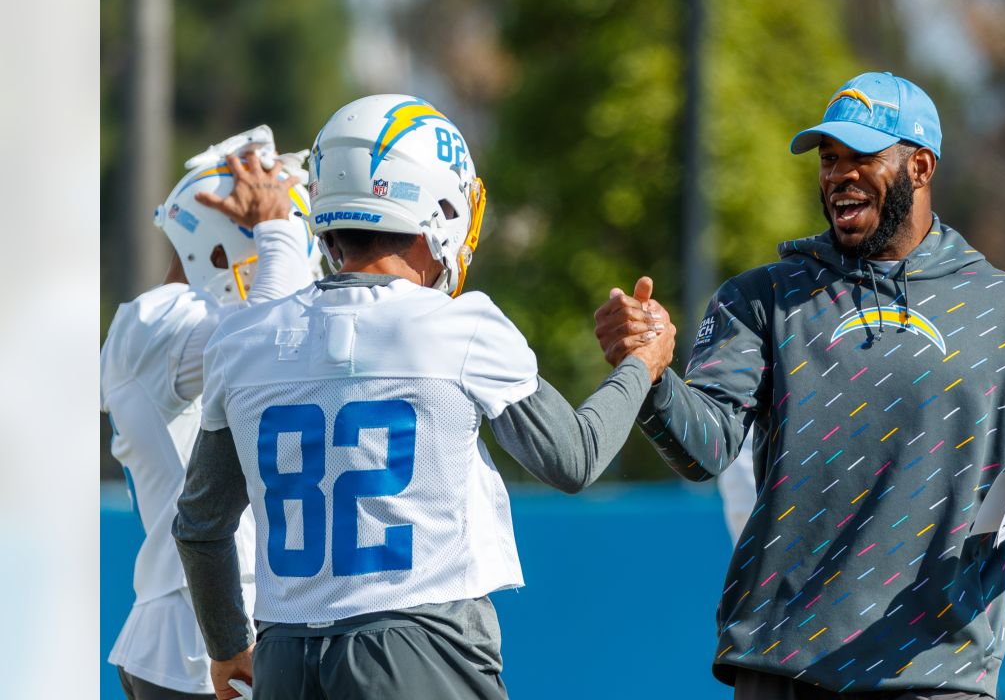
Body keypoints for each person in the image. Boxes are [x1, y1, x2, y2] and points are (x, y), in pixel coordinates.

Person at [594, 71, 1005, 699]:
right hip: (784, 664)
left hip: (936, 670)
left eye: (861, 157)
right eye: (828, 159)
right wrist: (648, 374)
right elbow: (705, 450)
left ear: (920, 166)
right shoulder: (763, 299)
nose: (838, 175)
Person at [171, 94, 674, 700]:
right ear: (437, 206)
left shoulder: (243, 339)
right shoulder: (462, 327)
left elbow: (201, 524)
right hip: (418, 648)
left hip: (286, 656)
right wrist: (640, 367)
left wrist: (227, 649)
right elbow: (575, 458)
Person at [101, 126, 322, 700]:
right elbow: (271, 334)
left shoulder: (186, 329)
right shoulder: (155, 320)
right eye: (272, 233)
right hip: (195, 643)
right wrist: (277, 227)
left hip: (215, 627)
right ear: (224, 244)